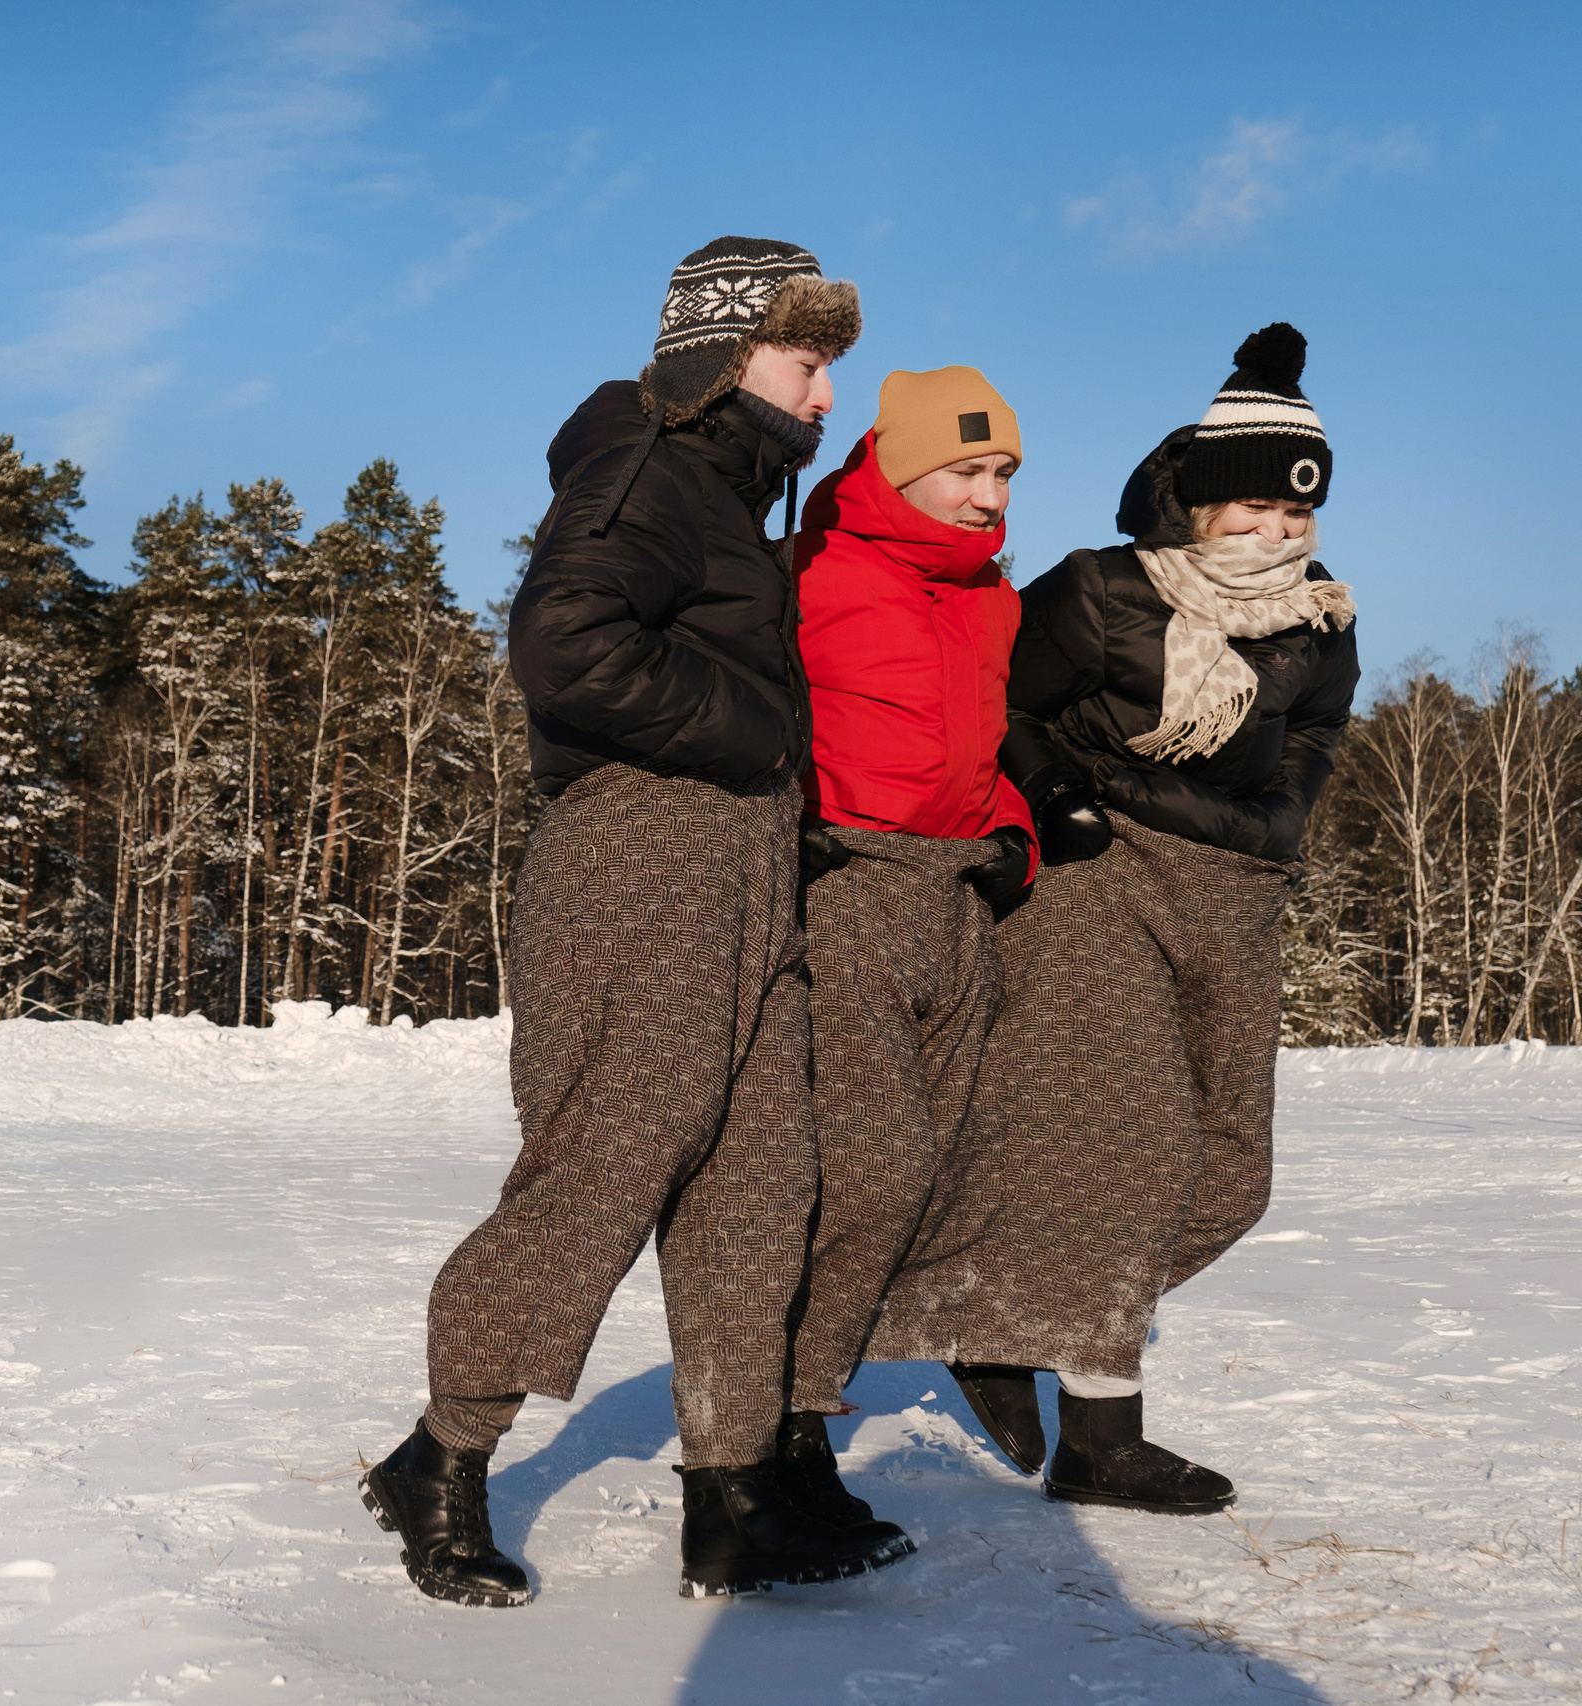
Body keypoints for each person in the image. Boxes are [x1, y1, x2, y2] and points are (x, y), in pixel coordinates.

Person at [360, 235, 913, 1606]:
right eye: (808, 363)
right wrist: (761, 730)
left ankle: (731, 1493)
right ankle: (441, 1452)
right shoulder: (646, 470)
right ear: (727, 361)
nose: (829, 397)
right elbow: (564, 643)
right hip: (642, 847)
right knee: (611, 1158)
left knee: (763, 1174)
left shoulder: (730, 501)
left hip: (743, 859)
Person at [862, 324, 1359, 1514]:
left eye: (1293, 515)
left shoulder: (1319, 617)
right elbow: (997, 707)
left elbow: (1318, 736)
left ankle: (999, 1322)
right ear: (1192, 504)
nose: (1274, 532)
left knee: (1231, 1171)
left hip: (1236, 890)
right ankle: (1099, 1429)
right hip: (1099, 877)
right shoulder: (1102, 589)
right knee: (1125, 1152)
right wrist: (1061, 796)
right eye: (1248, 508)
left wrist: (1283, 815)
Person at [782, 369, 1036, 1498]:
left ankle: (807, 1401)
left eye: (1005, 474)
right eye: (967, 471)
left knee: (934, 1165)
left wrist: (1015, 837)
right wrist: (791, 830)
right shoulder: (812, 569)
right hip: (846, 886)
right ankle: (784, 1419)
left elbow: (990, 746)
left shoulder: (991, 593)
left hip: (956, 900)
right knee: (871, 1167)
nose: (990, 496)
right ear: (896, 466)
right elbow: (758, 707)